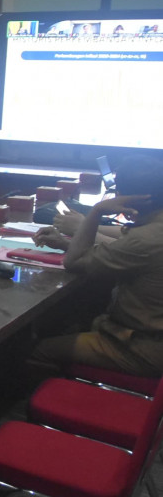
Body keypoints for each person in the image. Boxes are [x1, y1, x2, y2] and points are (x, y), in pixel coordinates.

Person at [30, 156, 163, 377]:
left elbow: (74, 262)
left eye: (119, 192)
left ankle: (53, 403)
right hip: (150, 336)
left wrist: (97, 210)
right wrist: (66, 242)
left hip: (141, 348)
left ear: (137, 199)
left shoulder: (146, 239)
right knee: (76, 319)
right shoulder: (152, 228)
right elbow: (124, 239)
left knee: (40, 349)